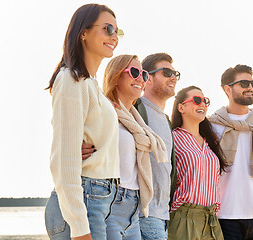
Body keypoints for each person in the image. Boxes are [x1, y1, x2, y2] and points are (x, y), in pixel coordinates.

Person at [44, 4, 123, 240]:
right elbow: (63, 161)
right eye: (107, 28)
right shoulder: (71, 79)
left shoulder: (90, 84)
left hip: (99, 200)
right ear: (83, 32)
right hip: (83, 202)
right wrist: (79, 228)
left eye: (117, 31)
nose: (113, 36)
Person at [209, 64, 253, 240]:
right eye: (244, 83)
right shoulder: (211, 125)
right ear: (228, 89)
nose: (250, 88)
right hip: (223, 217)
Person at [102, 54, 168, 239]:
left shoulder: (136, 120)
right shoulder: (103, 110)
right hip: (111, 203)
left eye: (144, 74)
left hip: (134, 207)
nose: (140, 78)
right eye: (134, 72)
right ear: (116, 76)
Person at [168, 86, 227, 240]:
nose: (202, 104)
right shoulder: (173, 138)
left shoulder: (211, 142)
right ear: (181, 107)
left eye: (205, 101)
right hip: (184, 216)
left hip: (211, 219)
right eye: (196, 100)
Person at [136, 53, 179, 239]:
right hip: (143, 213)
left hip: (162, 215)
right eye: (167, 72)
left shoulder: (166, 120)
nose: (173, 77)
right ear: (148, 77)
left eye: (175, 73)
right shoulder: (136, 109)